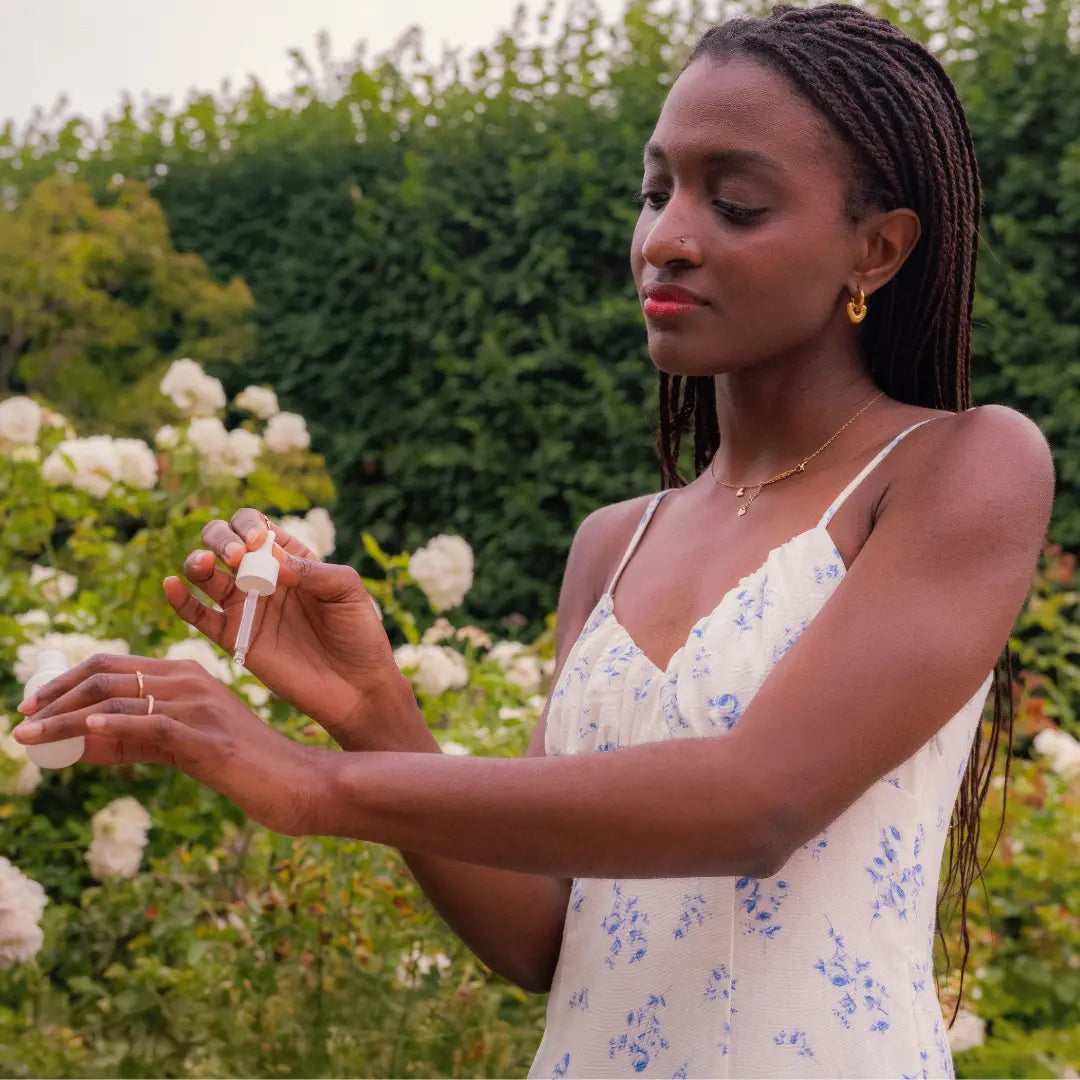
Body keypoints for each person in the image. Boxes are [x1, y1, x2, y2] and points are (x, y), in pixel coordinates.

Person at [14, 4, 1054, 1077]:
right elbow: (546, 940)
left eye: (734, 203)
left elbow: (757, 801)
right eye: (655, 192)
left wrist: (308, 782)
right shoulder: (614, 542)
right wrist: (373, 713)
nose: (665, 239)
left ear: (876, 251)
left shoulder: (960, 468)